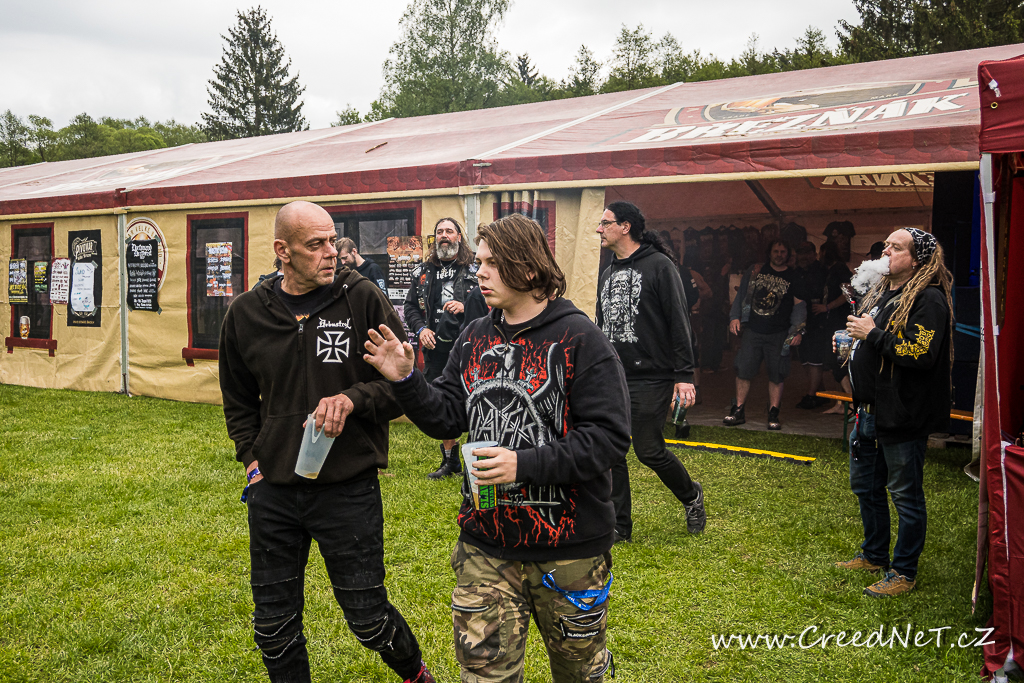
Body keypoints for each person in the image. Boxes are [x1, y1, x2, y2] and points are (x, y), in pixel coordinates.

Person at [364, 213, 630, 682]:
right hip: (485, 545)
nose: (480, 273)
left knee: (580, 673)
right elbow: (446, 416)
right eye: (480, 263)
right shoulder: (474, 336)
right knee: (484, 674)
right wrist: (407, 380)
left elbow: (608, 439)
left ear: (528, 268)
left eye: (491, 264)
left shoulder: (580, 339)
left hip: (569, 551)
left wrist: (522, 464)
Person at [219, 201, 434, 683]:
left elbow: (402, 385)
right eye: (315, 244)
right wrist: (252, 461)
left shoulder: (362, 299)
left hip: (347, 486)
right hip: (274, 491)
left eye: (332, 241)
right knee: (273, 628)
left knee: (369, 620)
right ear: (283, 251)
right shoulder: (246, 313)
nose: (331, 252)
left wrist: (353, 399)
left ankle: (417, 676)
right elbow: (237, 399)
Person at [835, 227, 953, 598]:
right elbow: (870, 339)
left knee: (905, 495)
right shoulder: (882, 292)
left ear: (917, 260)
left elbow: (920, 353)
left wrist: (872, 335)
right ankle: (874, 555)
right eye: (885, 244)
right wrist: (850, 343)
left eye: (896, 247)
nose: (885, 250)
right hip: (867, 412)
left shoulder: (928, 298)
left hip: (902, 414)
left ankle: (903, 572)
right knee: (866, 487)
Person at [597, 201, 705, 540]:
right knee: (612, 451)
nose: (599, 229)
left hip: (652, 375)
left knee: (648, 450)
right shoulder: (608, 272)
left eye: (605, 223)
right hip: (615, 375)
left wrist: (684, 376)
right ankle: (619, 526)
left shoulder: (659, 265)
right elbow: (602, 325)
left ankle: (691, 496)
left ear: (625, 226)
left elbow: (679, 321)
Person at [403, 217, 478, 479]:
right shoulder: (423, 271)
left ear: (459, 236)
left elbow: (492, 302)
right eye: (439, 232)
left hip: (470, 346)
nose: (444, 235)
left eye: (449, 231)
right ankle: (450, 461)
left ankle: (477, 459)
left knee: (475, 398)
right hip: (435, 347)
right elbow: (410, 307)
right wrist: (421, 330)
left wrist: (466, 306)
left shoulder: (476, 268)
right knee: (442, 400)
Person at [725, 239, 807, 430]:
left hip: (779, 333)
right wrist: (734, 317)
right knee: (743, 370)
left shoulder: (793, 276)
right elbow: (741, 294)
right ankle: (738, 410)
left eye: (783, 251)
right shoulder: (756, 270)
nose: (779, 255)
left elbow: (800, 305)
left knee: (777, 374)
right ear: (769, 252)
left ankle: (773, 413)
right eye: (776, 251)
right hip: (753, 330)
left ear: (788, 254)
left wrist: (797, 331)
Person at [792, 241, 830, 409]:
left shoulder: (822, 271)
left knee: (814, 358)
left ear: (814, 254)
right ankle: (820, 392)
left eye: (807, 253)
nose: (804, 257)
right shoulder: (796, 272)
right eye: (801, 253)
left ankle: (812, 395)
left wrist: (826, 307)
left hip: (817, 319)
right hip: (800, 320)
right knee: (805, 358)